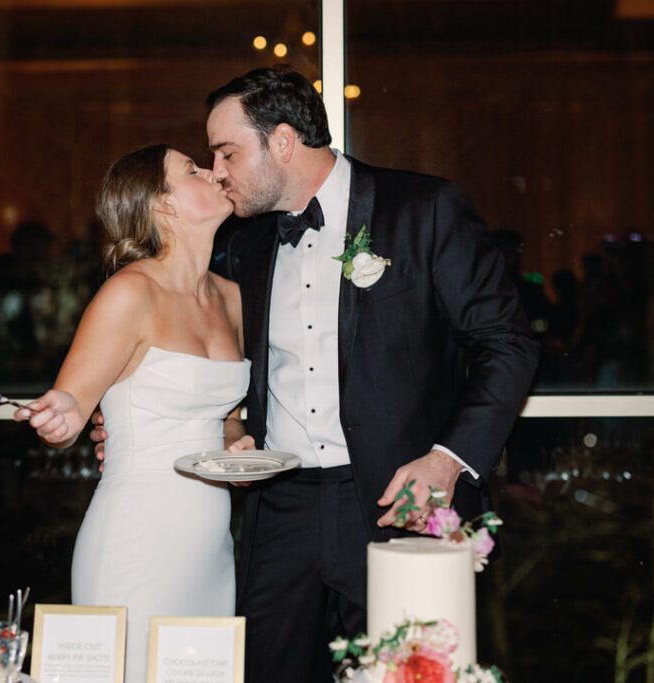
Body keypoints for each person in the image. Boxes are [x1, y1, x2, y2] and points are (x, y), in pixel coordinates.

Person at [96, 67, 540, 682]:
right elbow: (183, 340)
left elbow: (508, 343)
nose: (217, 170)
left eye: (227, 152)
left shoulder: (424, 209)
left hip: (395, 503)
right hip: (279, 510)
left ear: (282, 141)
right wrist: (132, 423)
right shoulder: (243, 248)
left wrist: (447, 458)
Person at [14, 144, 248, 682]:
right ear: (161, 205)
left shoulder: (232, 298)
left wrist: (238, 441)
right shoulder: (129, 294)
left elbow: (227, 411)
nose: (212, 172)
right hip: (136, 537)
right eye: (192, 170)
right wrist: (58, 417)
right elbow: (71, 410)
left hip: (210, 543)